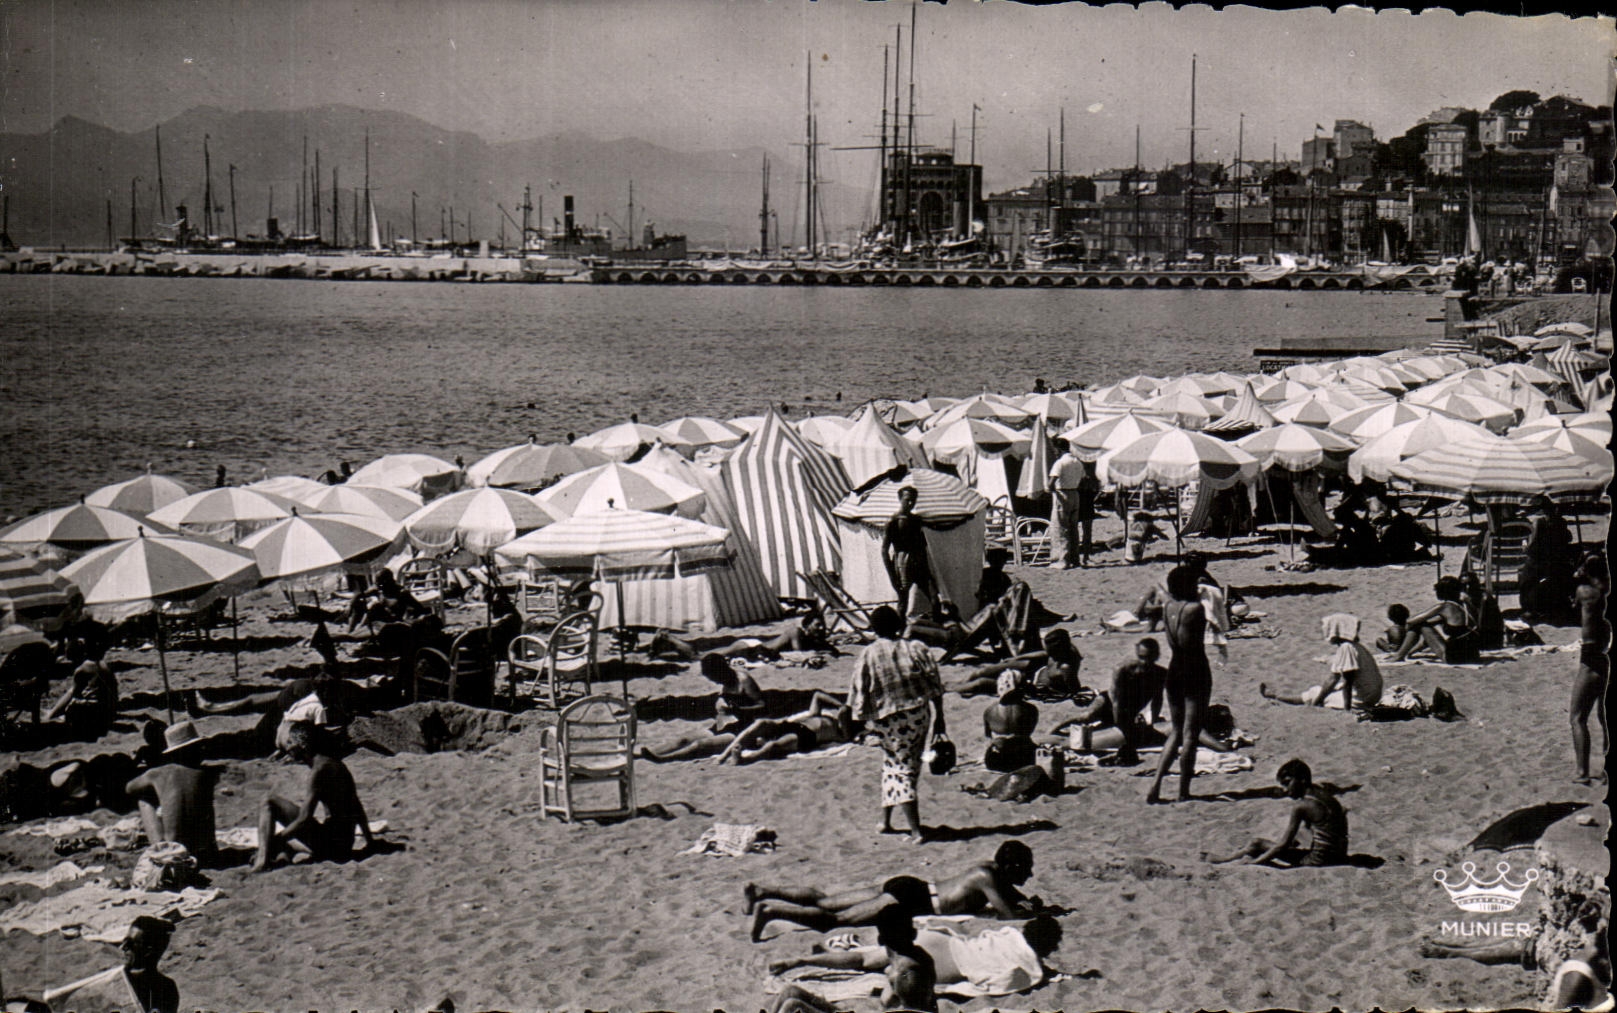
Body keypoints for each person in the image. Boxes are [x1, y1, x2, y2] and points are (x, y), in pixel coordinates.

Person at [746, 841, 1042, 941]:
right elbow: (1008, 915)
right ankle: (771, 911)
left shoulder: (990, 869)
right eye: (1025, 869)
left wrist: (1028, 903)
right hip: (912, 898)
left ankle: (763, 891)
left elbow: (1014, 897)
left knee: (825, 901)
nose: (1028, 875)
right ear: (1010, 867)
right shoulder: (987, 878)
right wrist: (1031, 912)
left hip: (910, 885)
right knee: (836, 920)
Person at [769, 912, 1065, 1001]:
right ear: (1048, 948)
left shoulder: (1010, 934)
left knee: (866, 960)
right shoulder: (1029, 965)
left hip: (939, 940)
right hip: (944, 964)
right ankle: (802, 964)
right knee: (882, 969)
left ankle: (800, 961)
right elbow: (1003, 981)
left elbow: (982, 937)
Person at [849, 606, 946, 843]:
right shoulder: (915, 648)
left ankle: (915, 830)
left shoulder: (869, 654)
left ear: (874, 629)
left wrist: (861, 719)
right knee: (902, 765)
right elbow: (935, 684)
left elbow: (859, 689)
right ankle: (886, 821)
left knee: (898, 766)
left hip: (888, 719)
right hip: (918, 716)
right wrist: (940, 717)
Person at [766, 904, 938, 1013]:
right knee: (790, 991)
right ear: (913, 933)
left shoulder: (907, 974)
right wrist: (800, 961)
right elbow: (859, 959)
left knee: (792, 1005)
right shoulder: (905, 954)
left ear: (881, 938)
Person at [251, 723, 375, 872]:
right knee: (288, 841)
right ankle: (282, 855)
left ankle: (262, 860)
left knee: (268, 801)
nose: (287, 748)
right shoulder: (336, 764)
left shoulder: (318, 771)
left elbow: (304, 819)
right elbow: (356, 806)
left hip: (331, 845)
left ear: (302, 745)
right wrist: (370, 841)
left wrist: (275, 841)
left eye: (290, 742)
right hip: (344, 844)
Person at [1145, 565, 1212, 804]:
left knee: (1175, 731)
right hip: (1195, 669)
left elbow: (1162, 595)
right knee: (1190, 734)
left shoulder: (1167, 607)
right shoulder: (1196, 609)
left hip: (1174, 668)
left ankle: (1156, 783)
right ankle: (1183, 790)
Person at [1203, 758, 1348, 867]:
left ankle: (1225, 859)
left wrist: (1255, 862)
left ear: (1302, 780)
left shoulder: (1301, 806)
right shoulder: (1323, 795)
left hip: (1319, 860)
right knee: (1301, 833)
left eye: (1287, 783)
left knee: (1257, 843)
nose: (1285, 789)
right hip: (1340, 855)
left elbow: (1281, 846)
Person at [1056, 638, 1165, 765]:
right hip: (1108, 703)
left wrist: (1153, 721)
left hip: (1128, 712)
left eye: (1149, 658)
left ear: (1156, 656)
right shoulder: (1123, 669)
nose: (1145, 662)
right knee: (1086, 717)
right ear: (1136, 653)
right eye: (1141, 657)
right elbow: (1115, 700)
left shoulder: (1161, 674)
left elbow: (1157, 700)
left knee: (1100, 734)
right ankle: (1055, 728)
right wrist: (1119, 723)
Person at [124, 721, 219, 866]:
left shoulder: (159, 773)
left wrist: (154, 785)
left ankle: (158, 845)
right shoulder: (207, 774)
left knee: (144, 799)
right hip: (205, 851)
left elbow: (129, 788)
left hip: (173, 851)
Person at [41, 915, 179, 1013]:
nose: (123, 947)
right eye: (124, 941)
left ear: (148, 951)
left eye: (130, 943)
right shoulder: (109, 980)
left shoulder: (165, 989)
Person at [1259, 613, 1382, 713]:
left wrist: (1322, 701)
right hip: (1371, 694)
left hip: (1362, 698)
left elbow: (1339, 680)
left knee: (1315, 693)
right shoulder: (1355, 646)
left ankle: (1276, 696)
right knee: (1328, 689)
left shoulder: (1346, 648)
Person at [716, 691, 854, 765]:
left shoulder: (840, 733)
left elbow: (845, 719)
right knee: (761, 723)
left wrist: (843, 712)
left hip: (807, 735)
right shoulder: (816, 715)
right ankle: (725, 755)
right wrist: (839, 705)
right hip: (790, 725)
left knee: (774, 745)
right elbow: (817, 695)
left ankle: (745, 760)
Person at [1570, 553, 1609, 785]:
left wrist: (1578, 575)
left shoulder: (1584, 592)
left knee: (1577, 717)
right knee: (1604, 717)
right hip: (1605, 654)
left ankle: (1582, 772)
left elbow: (1570, 608)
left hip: (1590, 657)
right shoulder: (1605, 592)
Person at [1386, 576, 1476, 664]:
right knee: (1423, 626)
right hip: (1472, 655)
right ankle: (1405, 653)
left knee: (1420, 625)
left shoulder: (1444, 607)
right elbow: (1430, 631)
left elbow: (1411, 621)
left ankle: (1399, 656)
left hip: (1456, 657)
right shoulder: (1463, 606)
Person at [43, 640, 118, 741]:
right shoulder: (104, 665)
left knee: (72, 694)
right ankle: (53, 713)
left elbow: (74, 694)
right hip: (108, 712)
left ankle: (51, 715)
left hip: (92, 712)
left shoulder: (81, 669)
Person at [883, 485, 938, 619]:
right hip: (903, 563)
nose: (910, 503)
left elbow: (922, 545)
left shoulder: (917, 520)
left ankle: (938, 627)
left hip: (919, 562)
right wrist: (892, 576)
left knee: (935, 598)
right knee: (903, 601)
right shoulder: (893, 521)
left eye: (913, 500)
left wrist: (926, 568)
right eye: (907, 500)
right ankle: (900, 628)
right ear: (900, 499)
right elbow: (884, 550)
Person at [1520, 497, 1575, 621]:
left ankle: (1529, 609)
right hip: (1558, 561)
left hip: (1540, 561)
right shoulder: (1562, 522)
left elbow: (1532, 546)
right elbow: (1568, 539)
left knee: (1526, 577)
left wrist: (1524, 546)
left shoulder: (1539, 522)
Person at [982, 670, 1039, 772]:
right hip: (1023, 759)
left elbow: (988, 736)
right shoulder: (1030, 709)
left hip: (995, 761)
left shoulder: (989, 711)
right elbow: (1029, 732)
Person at [346, 568, 425, 633]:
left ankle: (358, 630)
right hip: (380, 619)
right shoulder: (379, 590)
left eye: (380, 583)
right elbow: (359, 595)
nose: (378, 585)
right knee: (359, 604)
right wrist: (350, 605)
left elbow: (420, 608)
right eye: (377, 583)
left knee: (375, 606)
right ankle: (351, 630)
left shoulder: (401, 593)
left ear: (388, 581)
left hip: (394, 622)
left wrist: (410, 618)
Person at [1048, 447, 1086, 569]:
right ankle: (1075, 558)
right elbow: (1083, 479)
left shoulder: (1060, 463)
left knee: (1060, 527)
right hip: (1074, 493)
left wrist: (1051, 490)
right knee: (1073, 528)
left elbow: (1051, 483)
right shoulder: (1078, 462)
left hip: (1062, 493)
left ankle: (1062, 559)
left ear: (1059, 449)